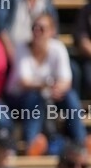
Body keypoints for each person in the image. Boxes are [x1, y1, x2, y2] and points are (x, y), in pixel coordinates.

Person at [5, 14, 87, 157]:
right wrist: (49, 86)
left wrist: (56, 89)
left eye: (41, 28)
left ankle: (81, 142)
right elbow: (25, 82)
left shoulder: (58, 48)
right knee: (35, 97)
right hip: (17, 98)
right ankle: (31, 143)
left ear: (51, 31)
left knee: (70, 96)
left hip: (47, 97)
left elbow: (66, 81)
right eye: (34, 28)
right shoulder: (21, 48)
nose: (37, 32)